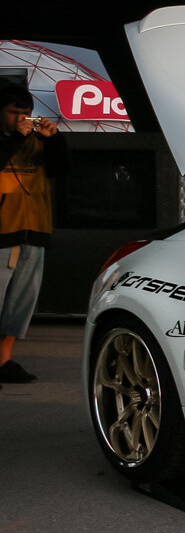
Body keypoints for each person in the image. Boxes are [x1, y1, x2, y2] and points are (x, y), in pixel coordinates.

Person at [0, 86, 68, 385]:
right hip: (3, 231)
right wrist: (17, 136)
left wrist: (55, 139)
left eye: (25, 113)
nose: (20, 118)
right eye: (13, 112)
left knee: (19, 305)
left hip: (34, 229)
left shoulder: (37, 140)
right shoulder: (12, 139)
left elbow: (62, 169)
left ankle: (4, 361)